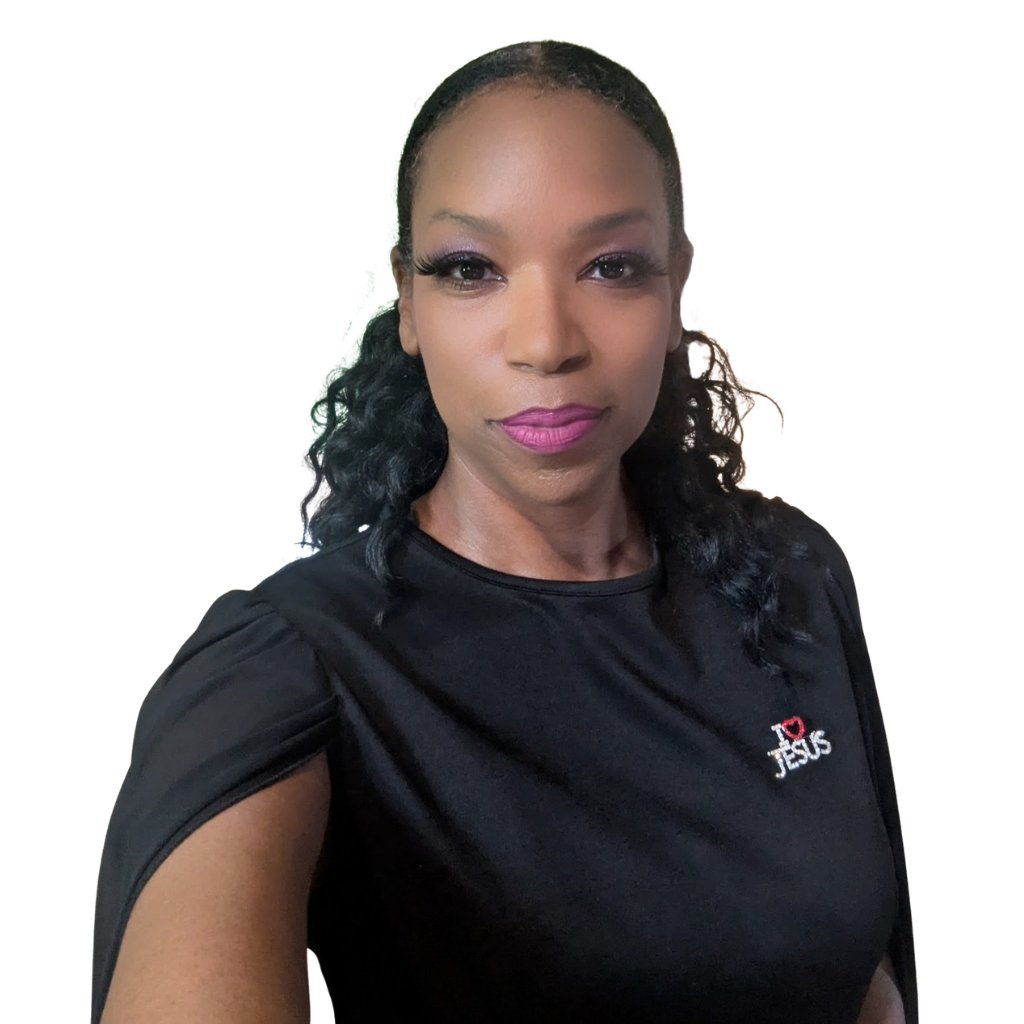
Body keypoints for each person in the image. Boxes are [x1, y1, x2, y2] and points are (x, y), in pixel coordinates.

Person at [91, 39, 916, 1024]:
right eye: (470, 269)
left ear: (675, 287)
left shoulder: (788, 575)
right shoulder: (288, 671)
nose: (545, 342)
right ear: (407, 300)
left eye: (612, 266)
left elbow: (859, 974)